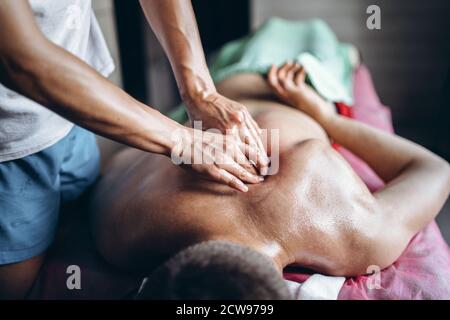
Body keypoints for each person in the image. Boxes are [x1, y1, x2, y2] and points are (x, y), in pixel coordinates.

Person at [91, 63, 450, 298]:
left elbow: (434, 170)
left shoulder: (356, 234)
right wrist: (328, 119)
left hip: (273, 80)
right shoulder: (123, 235)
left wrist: (328, 120)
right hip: (254, 84)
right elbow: (434, 169)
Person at [0, 0, 268, 299]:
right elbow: (22, 60)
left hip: (79, 104)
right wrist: (183, 141)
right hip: (10, 142)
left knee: (77, 226)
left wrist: (200, 90)